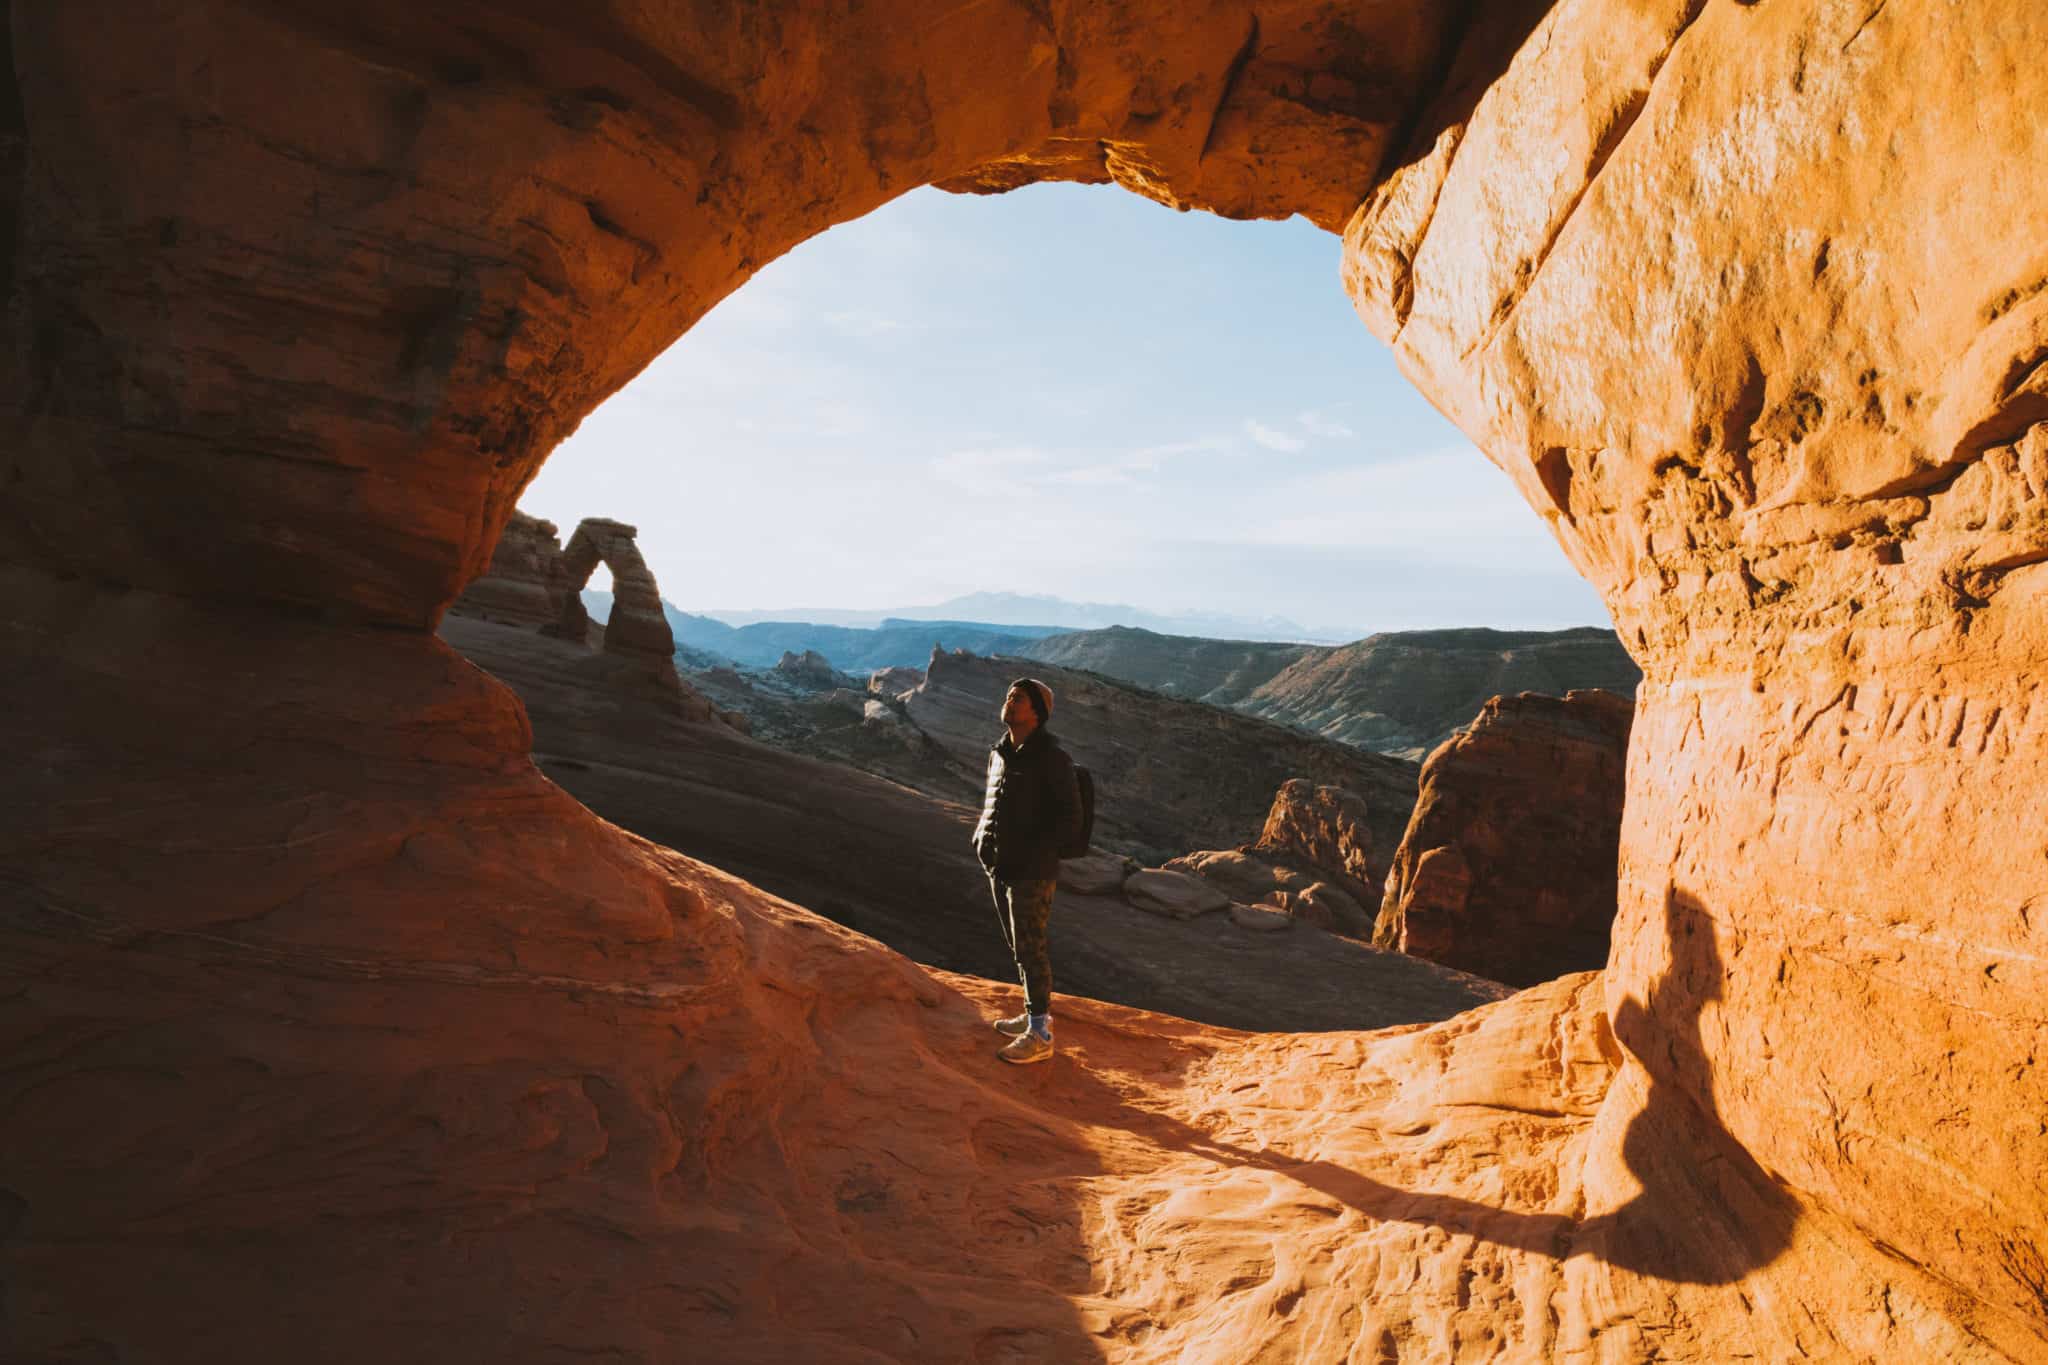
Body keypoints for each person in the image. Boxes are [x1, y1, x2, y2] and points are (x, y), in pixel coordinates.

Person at [972, 677, 1083, 1065]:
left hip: (1031, 872)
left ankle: (1040, 1033)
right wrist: (980, 838)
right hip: (999, 865)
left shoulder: (1052, 759)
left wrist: (1031, 853)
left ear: (1036, 712)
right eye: (1007, 695)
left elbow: (1070, 819)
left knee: (1031, 947)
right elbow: (993, 803)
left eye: (1017, 698)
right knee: (1018, 946)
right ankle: (1032, 1013)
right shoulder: (999, 752)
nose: (1008, 702)